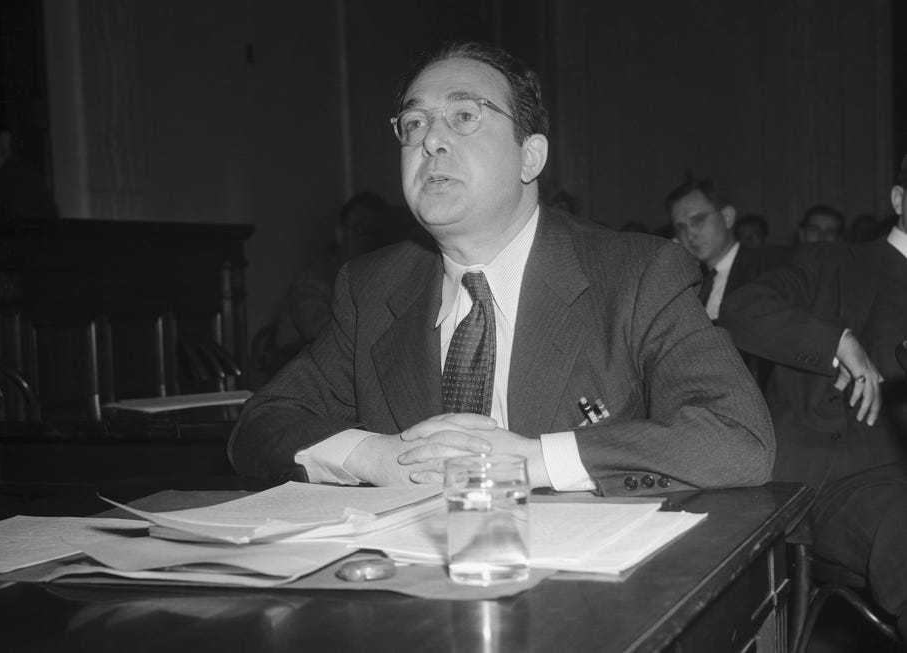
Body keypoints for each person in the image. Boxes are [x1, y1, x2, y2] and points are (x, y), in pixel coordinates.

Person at [228, 41, 773, 494]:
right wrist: (379, 458)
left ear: (530, 156)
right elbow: (260, 425)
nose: (430, 140)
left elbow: (737, 438)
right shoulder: (371, 287)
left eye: (464, 116)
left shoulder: (636, 273)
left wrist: (529, 460)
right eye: (413, 123)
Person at [720, 154, 907, 640]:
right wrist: (837, 342)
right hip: (852, 478)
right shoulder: (834, 263)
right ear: (898, 199)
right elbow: (742, 310)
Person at [274, 192, 391, 353]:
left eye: (377, 234)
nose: (370, 241)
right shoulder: (312, 283)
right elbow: (329, 340)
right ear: (340, 235)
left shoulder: (382, 278)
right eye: (360, 232)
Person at [666, 178, 787, 322]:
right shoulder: (689, 285)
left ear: (727, 217)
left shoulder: (767, 269)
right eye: (680, 227)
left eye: (697, 220)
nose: (689, 234)